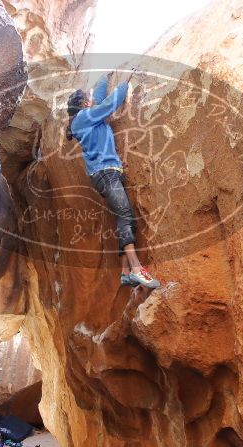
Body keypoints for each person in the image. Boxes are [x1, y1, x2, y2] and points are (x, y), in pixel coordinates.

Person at [67, 71, 160, 289]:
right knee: (125, 216)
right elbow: (109, 104)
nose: (92, 101)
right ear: (83, 104)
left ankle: (125, 272)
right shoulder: (84, 118)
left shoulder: (86, 116)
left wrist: (104, 79)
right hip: (105, 173)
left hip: (106, 173)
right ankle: (137, 269)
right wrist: (124, 84)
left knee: (125, 218)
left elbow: (98, 98)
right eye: (88, 100)